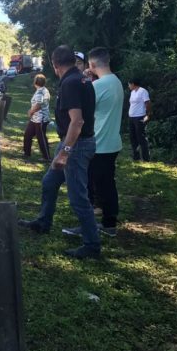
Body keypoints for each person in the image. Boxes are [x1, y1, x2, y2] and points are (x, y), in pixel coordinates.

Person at [19, 45, 101, 259]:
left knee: (78, 197)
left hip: (76, 145)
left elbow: (77, 121)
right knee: (49, 182)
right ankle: (43, 222)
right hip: (72, 142)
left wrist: (65, 152)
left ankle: (92, 245)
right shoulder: (82, 79)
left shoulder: (71, 83)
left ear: (55, 64)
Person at [63, 47, 123, 238]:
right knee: (107, 184)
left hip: (98, 143)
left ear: (92, 64)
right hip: (113, 142)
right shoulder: (116, 81)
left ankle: (88, 226)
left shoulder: (97, 86)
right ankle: (109, 223)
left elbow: (80, 110)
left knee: (87, 186)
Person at [23, 74, 51, 161]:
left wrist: (30, 112)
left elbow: (38, 105)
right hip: (35, 119)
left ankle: (46, 157)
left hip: (40, 119)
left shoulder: (40, 92)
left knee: (41, 138)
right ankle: (26, 153)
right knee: (28, 134)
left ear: (35, 82)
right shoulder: (44, 90)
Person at [128, 78, 151, 161]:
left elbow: (147, 103)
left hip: (140, 116)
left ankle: (146, 158)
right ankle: (136, 157)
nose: (128, 86)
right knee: (133, 137)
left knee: (141, 137)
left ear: (133, 84)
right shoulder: (132, 92)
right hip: (131, 117)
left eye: (129, 84)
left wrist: (148, 115)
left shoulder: (143, 91)